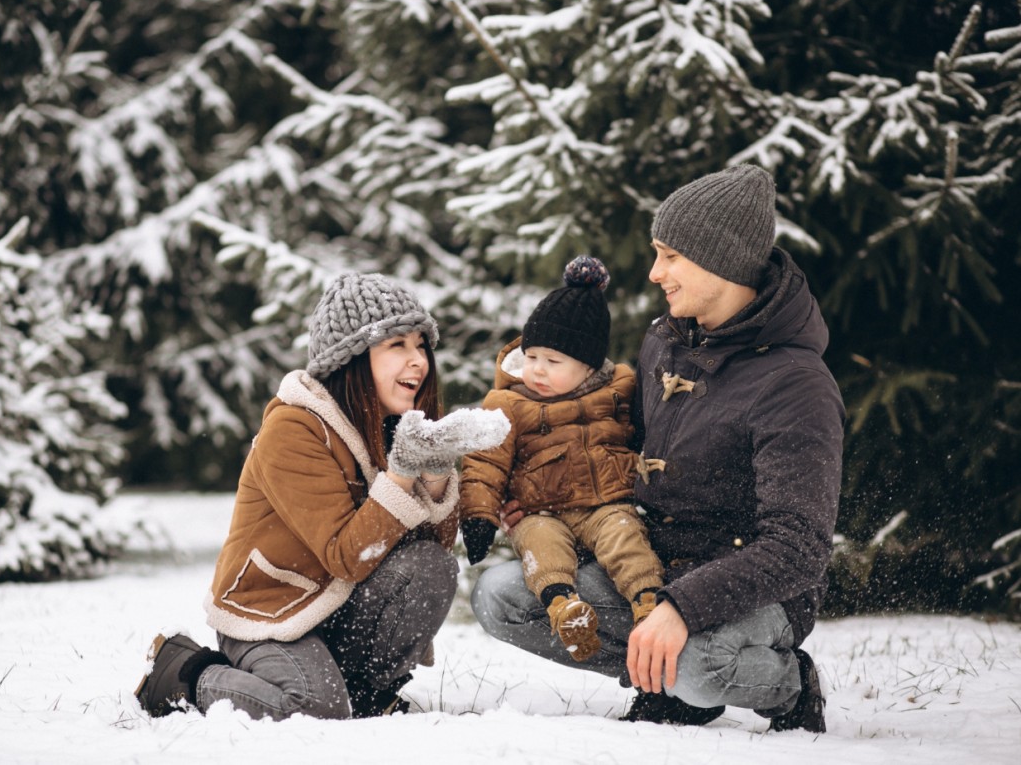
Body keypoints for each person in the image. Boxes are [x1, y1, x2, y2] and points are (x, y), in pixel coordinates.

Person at [470, 164, 844, 733]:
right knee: (503, 596)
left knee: (696, 666)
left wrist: (684, 607)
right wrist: (546, 497)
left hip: (755, 595)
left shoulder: (796, 382)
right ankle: (661, 681)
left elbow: (800, 549)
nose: (654, 272)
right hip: (654, 566)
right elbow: (615, 450)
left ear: (720, 258)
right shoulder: (664, 341)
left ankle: (787, 685)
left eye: (670, 255)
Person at [133, 271, 508, 721]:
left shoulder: (393, 425)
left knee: (432, 566)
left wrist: (434, 467)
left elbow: (434, 546)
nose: (419, 360)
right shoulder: (294, 429)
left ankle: (368, 693)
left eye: (420, 344)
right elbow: (346, 555)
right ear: (351, 357)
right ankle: (183, 673)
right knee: (313, 705)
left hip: (338, 606)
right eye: (397, 345)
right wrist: (403, 471)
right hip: (272, 614)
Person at [458, 256, 664, 663]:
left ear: (588, 367)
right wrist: (479, 517)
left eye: (553, 362)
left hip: (605, 505)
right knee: (541, 545)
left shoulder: (619, 391)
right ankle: (564, 608)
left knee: (624, 537)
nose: (537, 370)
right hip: (540, 510)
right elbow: (484, 462)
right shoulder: (510, 403)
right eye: (531, 356)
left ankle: (648, 606)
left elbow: (648, 434)